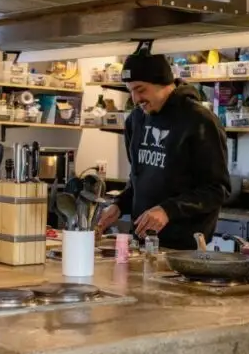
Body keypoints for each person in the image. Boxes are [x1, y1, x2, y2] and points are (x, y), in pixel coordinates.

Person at [95, 51, 231, 250]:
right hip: (142, 244)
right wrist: (119, 205)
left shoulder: (199, 121)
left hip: (184, 249)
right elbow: (139, 179)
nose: (135, 98)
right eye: (130, 90)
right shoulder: (136, 120)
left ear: (164, 83)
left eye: (141, 90)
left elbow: (217, 189)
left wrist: (167, 210)